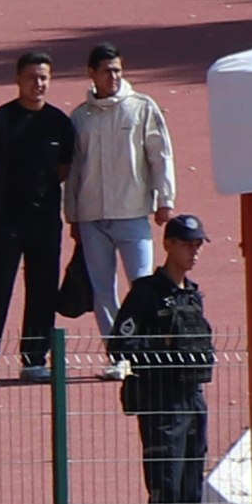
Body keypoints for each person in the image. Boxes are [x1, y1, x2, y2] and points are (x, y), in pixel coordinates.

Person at [114, 215, 216, 504]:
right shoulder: (146, 293)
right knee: (166, 490)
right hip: (162, 403)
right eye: (188, 244)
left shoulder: (192, 295)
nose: (194, 252)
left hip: (193, 400)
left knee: (190, 492)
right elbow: (120, 343)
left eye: (198, 245)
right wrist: (163, 349)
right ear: (168, 244)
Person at [65, 43, 177, 368]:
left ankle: (146, 352)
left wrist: (165, 199)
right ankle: (118, 355)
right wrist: (72, 214)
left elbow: (160, 155)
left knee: (142, 286)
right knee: (103, 290)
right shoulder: (80, 117)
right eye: (106, 71)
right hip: (92, 216)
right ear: (92, 73)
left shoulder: (141, 107)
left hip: (132, 213)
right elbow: (73, 170)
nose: (113, 76)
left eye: (117, 70)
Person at [0, 51, 77, 386]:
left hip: (45, 221)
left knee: (43, 289)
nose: (38, 84)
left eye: (44, 77)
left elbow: (63, 169)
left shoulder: (60, 123)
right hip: (6, 221)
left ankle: (34, 359)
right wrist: (2, 201)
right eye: (32, 77)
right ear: (18, 79)